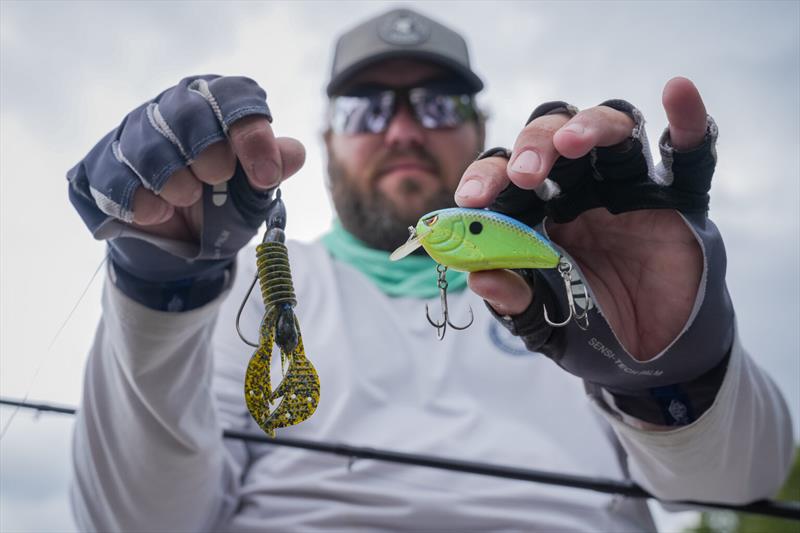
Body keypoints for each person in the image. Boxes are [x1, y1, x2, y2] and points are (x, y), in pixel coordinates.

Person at [67, 7, 793, 532]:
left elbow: (740, 483)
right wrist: (159, 291)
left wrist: (665, 364)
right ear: (326, 140)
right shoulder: (245, 295)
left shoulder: (577, 274)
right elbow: (134, 520)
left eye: (439, 104)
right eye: (367, 109)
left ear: (482, 131)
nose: (406, 130)